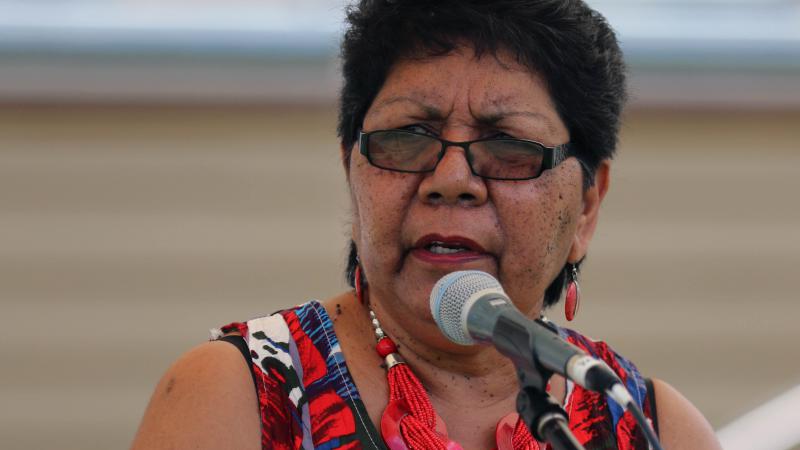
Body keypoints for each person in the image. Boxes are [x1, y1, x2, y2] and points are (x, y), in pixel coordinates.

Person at [131, 1, 722, 449]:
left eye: (507, 145)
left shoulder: (650, 424)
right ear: (351, 170)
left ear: (587, 204)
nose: (452, 177)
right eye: (409, 135)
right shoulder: (241, 396)